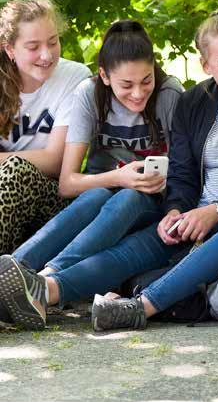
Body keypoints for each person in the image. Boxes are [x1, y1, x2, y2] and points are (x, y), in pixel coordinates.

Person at [0, 11, 218, 331]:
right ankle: (41, 291)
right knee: (131, 250)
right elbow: (183, 176)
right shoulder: (195, 102)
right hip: (193, 217)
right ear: (206, 66)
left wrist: (217, 210)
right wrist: (175, 209)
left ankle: (140, 306)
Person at [12, 19, 183, 276]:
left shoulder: (169, 93)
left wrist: (145, 182)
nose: (138, 93)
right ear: (104, 75)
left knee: (127, 196)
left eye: (146, 81)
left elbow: (185, 172)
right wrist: (119, 177)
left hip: (149, 203)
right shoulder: (89, 94)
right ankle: (14, 266)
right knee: (99, 195)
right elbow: (67, 183)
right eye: (126, 85)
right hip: (98, 195)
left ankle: (47, 277)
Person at [0, 0, 90, 253]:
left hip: (50, 200)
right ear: (10, 49)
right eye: (33, 46)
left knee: (16, 170)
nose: (46, 55)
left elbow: (55, 161)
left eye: (53, 42)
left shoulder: (75, 78)